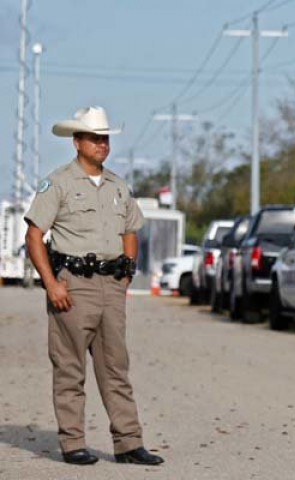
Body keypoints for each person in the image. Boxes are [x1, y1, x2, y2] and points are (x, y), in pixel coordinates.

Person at [24, 106, 164, 466]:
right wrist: (51, 283)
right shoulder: (58, 183)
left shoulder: (118, 185)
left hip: (110, 286)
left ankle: (129, 443)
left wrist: (126, 274)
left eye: (105, 138)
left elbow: (130, 230)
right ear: (77, 142)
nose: (102, 144)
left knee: (116, 367)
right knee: (70, 368)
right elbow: (34, 236)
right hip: (73, 285)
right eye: (94, 138)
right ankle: (73, 444)